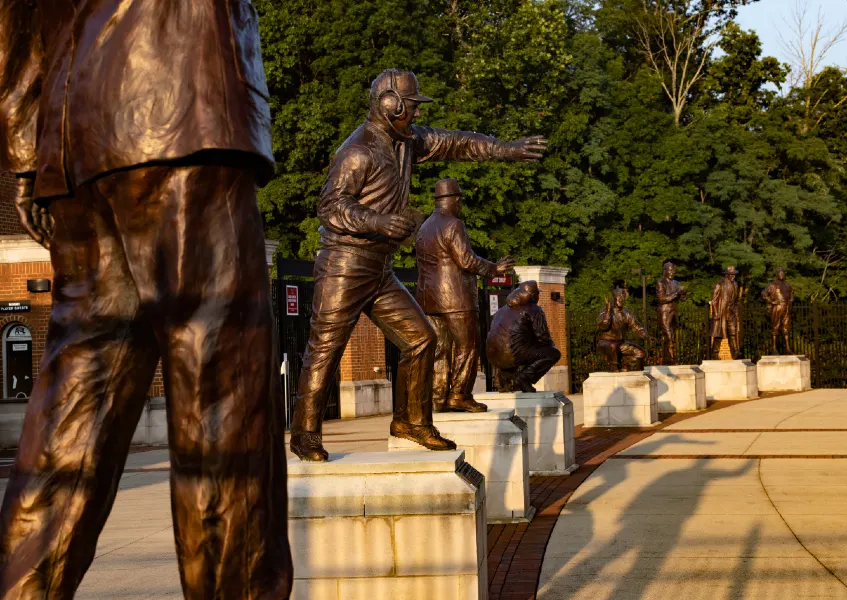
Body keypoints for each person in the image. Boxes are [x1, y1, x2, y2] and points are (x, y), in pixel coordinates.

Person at [0, 2, 292, 598]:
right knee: (220, 387)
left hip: (72, 133)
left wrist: (26, 152)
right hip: (184, 95)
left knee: (73, 406)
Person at [290, 69, 547, 461]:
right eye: (410, 105)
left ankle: (411, 421)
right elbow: (330, 207)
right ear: (389, 104)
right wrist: (377, 221)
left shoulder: (406, 142)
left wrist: (505, 149)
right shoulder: (357, 151)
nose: (415, 112)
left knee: (421, 339)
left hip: (380, 268)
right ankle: (304, 434)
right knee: (325, 347)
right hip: (345, 263)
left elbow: (458, 143)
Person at [416, 178, 514, 412]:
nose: (460, 205)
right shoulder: (454, 225)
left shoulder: (424, 227)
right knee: (467, 347)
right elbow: (466, 260)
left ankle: (437, 398)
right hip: (455, 298)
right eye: (459, 200)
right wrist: (494, 268)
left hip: (428, 299)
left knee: (438, 350)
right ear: (455, 200)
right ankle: (459, 395)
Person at [486, 281, 561, 393]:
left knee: (516, 347)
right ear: (533, 295)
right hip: (514, 353)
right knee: (553, 353)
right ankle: (524, 378)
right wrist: (549, 346)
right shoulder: (534, 309)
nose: (538, 296)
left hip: (493, 355)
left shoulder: (501, 310)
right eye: (538, 294)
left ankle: (503, 377)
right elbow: (543, 336)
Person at [596, 288, 653, 372]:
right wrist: (608, 311)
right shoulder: (605, 310)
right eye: (619, 296)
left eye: (623, 297)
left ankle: (635, 372)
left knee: (641, 353)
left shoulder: (627, 313)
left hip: (620, 343)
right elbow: (603, 326)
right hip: (605, 342)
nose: (621, 299)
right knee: (613, 346)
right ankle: (614, 368)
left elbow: (637, 326)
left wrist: (647, 336)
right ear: (614, 298)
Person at [656, 262, 687, 365]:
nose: (672, 273)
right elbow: (661, 299)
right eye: (670, 270)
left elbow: (682, 299)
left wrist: (683, 293)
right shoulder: (660, 283)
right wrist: (677, 293)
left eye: (673, 271)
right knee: (669, 336)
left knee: (671, 336)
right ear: (665, 271)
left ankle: (667, 358)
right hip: (664, 312)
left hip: (674, 312)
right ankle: (672, 359)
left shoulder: (676, 283)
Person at [709, 265, 742, 360]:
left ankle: (735, 352)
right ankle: (714, 353)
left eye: (734, 274)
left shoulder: (735, 284)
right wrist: (715, 313)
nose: (733, 276)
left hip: (731, 312)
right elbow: (714, 300)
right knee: (718, 335)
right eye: (731, 274)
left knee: (733, 333)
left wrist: (735, 309)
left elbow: (736, 299)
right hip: (721, 313)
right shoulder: (719, 285)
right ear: (726, 275)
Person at [761, 267, 794, 355]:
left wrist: (790, 302)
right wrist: (771, 301)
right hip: (777, 307)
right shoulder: (772, 285)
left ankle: (787, 348)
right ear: (777, 274)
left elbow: (791, 295)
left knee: (786, 327)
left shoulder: (787, 285)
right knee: (775, 327)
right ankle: (774, 348)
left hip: (786, 307)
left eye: (783, 273)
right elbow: (763, 294)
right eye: (780, 273)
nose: (781, 275)